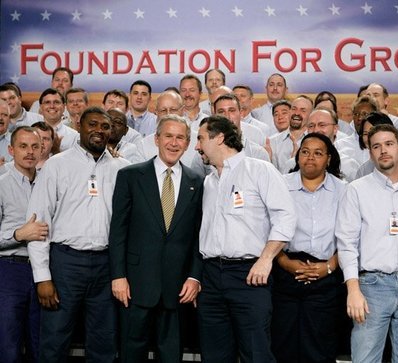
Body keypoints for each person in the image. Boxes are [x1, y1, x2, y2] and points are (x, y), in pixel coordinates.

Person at [26, 106, 130, 362]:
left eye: (105, 127)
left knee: (104, 343)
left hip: (107, 265)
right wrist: (42, 277)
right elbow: (38, 223)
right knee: (54, 340)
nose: (99, 131)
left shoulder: (122, 168)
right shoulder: (56, 165)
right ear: (79, 128)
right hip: (65, 263)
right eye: (92, 124)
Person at [195, 115, 296, 363]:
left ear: (219, 138)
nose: (196, 146)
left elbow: (286, 217)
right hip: (211, 278)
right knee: (214, 355)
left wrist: (266, 259)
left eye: (200, 139)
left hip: (249, 275)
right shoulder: (208, 182)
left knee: (256, 353)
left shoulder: (260, 169)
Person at [337, 123, 398, 363]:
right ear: (370, 152)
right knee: (365, 360)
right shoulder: (356, 191)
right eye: (376, 146)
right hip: (372, 287)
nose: (383, 151)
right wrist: (353, 290)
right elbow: (347, 243)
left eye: (389, 144)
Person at [109, 114, 203, 363]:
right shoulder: (130, 176)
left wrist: (194, 276)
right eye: (169, 136)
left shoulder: (198, 182)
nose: (174, 143)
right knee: (131, 353)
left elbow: (198, 236)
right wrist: (118, 276)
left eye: (180, 138)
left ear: (188, 142)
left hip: (178, 286)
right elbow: (118, 230)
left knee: (172, 355)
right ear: (156, 139)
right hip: (135, 284)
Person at [271, 133, 346, 363]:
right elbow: (267, 228)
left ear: (329, 159)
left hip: (327, 275)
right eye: (305, 151)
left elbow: (351, 238)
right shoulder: (281, 185)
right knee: (284, 344)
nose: (310, 157)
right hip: (286, 270)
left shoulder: (343, 190)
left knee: (320, 346)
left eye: (318, 153)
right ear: (297, 155)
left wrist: (329, 268)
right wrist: (285, 263)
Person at [0, 126, 48, 363]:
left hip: (45, 271)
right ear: (11, 150)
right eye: (23, 146)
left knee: (41, 344)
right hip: (10, 269)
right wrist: (19, 234)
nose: (29, 152)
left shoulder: (49, 183)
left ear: (42, 149)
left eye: (35, 146)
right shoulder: (1, 183)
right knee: (8, 344)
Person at [269, 95, 312, 173]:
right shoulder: (272, 142)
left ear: (311, 115)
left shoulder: (316, 141)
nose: (297, 113)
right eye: (294, 109)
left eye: (303, 110)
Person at [334, 95, 380, 165]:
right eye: (356, 114)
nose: (360, 118)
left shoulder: (383, 145)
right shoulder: (340, 145)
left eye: (365, 114)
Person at [0, 101, 12, 165]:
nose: (0, 118)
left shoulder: (16, 141)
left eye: (4, 115)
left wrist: (4, 168)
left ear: (9, 118)